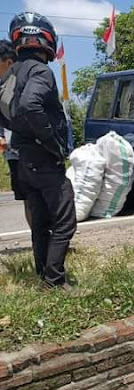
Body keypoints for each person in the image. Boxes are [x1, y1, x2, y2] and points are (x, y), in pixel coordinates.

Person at [8, 12, 76, 289]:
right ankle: (55, 281)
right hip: (42, 159)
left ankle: (43, 275)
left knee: (40, 220)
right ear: (46, 39)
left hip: (23, 159)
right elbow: (29, 105)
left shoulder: (12, 72)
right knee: (64, 220)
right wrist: (52, 143)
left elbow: (11, 110)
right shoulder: (40, 71)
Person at [0, 40, 31, 228]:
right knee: (28, 198)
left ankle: (53, 241)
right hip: (14, 154)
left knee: (43, 197)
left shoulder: (29, 82)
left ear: (8, 62)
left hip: (34, 151)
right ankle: (40, 241)